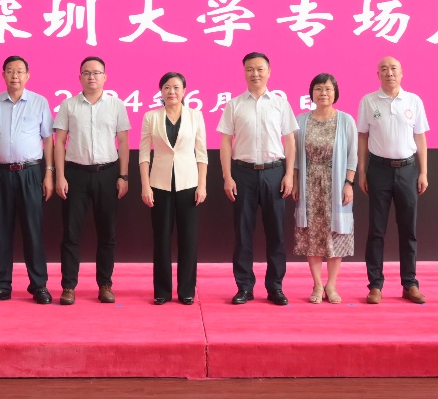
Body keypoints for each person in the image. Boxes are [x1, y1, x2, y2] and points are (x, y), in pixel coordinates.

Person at [218, 51, 298, 306]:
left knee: (276, 234)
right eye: (250, 69)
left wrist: (289, 174)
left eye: (260, 69)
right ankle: (244, 287)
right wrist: (228, 176)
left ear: (269, 72)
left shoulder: (280, 104)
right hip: (243, 173)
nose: (255, 74)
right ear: (244, 72)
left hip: (274, 173)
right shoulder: (234, 105)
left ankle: (275, 287)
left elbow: (290, 141)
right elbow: (225, 142)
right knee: (243, 234)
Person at [0, 55, 54, 305]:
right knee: (1, 231)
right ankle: (1, 286)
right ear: (3, 75)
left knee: (33, 231)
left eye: (20, 71)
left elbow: (48, 139)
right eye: (10, 71)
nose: (15, 76)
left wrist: (49, 173)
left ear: (27, 75)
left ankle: (39, 286)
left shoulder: (40, 102)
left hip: (30, 173)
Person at [52, 55, 131, 305]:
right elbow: (59, 142)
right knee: (71, 233)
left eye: (97, 73)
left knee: (107, 233)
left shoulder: (116, 105)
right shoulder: (68, 105)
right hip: (75, 174)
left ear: (105, 77)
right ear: (80, 77)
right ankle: (68, 286)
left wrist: (123, 175)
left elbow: (124, 142)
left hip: (107, 174)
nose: (92, 77)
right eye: (86, 73)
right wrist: (60, 175)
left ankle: (105, 284)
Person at [357, 56, 429, 305]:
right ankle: (375, 285)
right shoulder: (368, 101)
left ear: (401, 73)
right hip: (379, 170)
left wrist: (423, 172)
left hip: (408, 170)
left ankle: (410, 283)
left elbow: (420, 137)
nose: (389, 73)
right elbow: (362, 137)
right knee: (376, 230)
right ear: (377, 74)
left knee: (408, 230)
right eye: (384, 69)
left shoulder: (414, 101)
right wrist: (362, 171)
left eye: (394, 69)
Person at [138, 71, 208, 305]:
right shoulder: (151, 117)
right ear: (161, 91)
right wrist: (145, 185)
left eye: (176, 87)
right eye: (167, 87)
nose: (172, 92)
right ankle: (162, 291)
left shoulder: (195, 116)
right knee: (161, 239)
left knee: (189, 239)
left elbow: (202, 154)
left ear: (184, 91)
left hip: (189, 184)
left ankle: (187, 291)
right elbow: (144, 155)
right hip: (159, 185)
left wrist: (202, 185)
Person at [293, 73, 357, 304]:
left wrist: (349, 183)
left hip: (336, 184)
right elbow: (295, 156)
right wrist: (295, 181)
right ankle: (317, 285)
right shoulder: (300, 121)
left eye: (328, 89)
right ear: (311, 93)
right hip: (309, 184)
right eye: (318, 89)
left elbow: (352, 155)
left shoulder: (346, 120)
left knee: (336, 234)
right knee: (312, 234)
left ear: (335, 93)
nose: (323, 93)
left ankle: (331, 285)